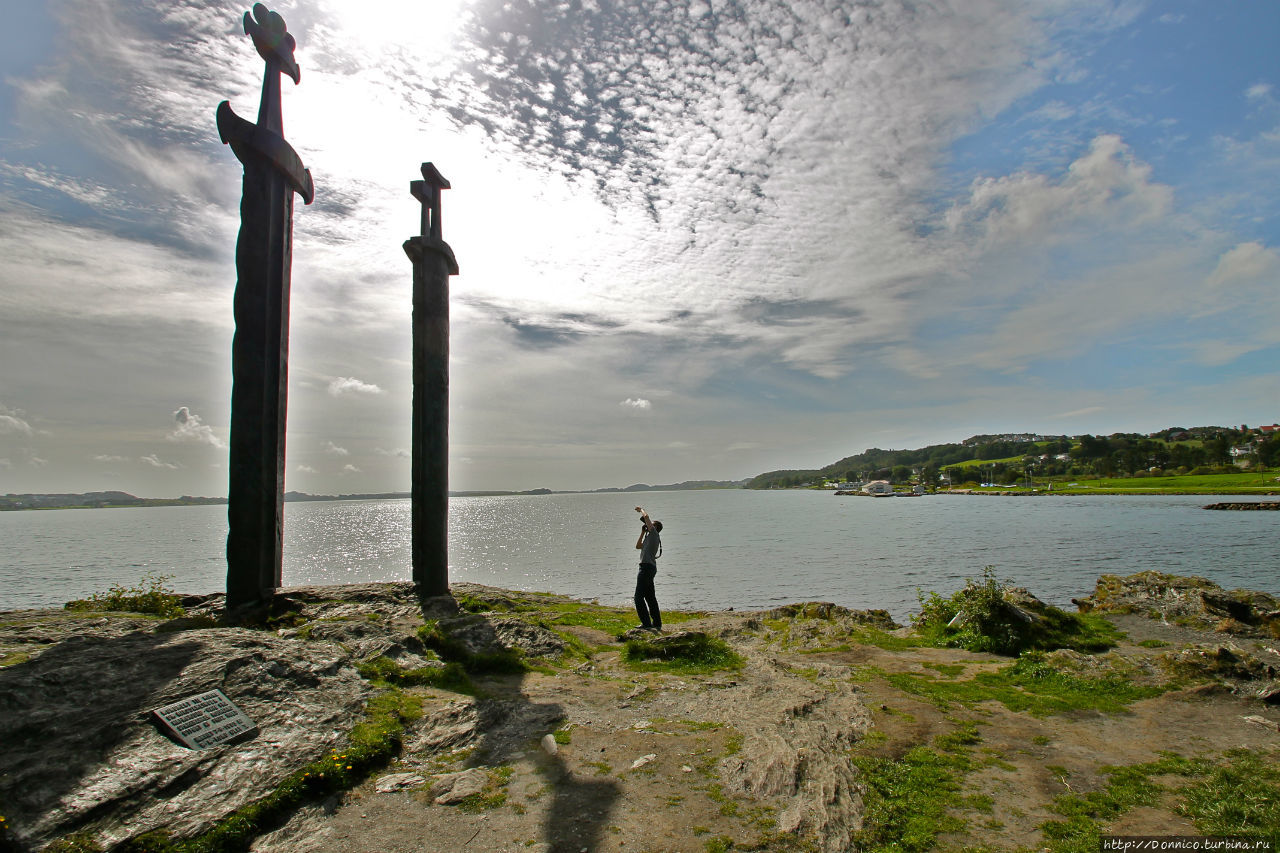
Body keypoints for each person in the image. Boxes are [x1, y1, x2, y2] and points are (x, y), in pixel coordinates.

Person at [632, 506, 663, 631]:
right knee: (650, 596)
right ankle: (657, 623)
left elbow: (646, 517)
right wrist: (642, 532)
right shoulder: (649, 537)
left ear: (655, 527)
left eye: (650, 525)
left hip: (645, 568)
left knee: (638, 597)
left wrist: (641, 510)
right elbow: (638, 546)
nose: (647, 525)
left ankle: (646, 623)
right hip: (649, 568)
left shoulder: (654, 534)